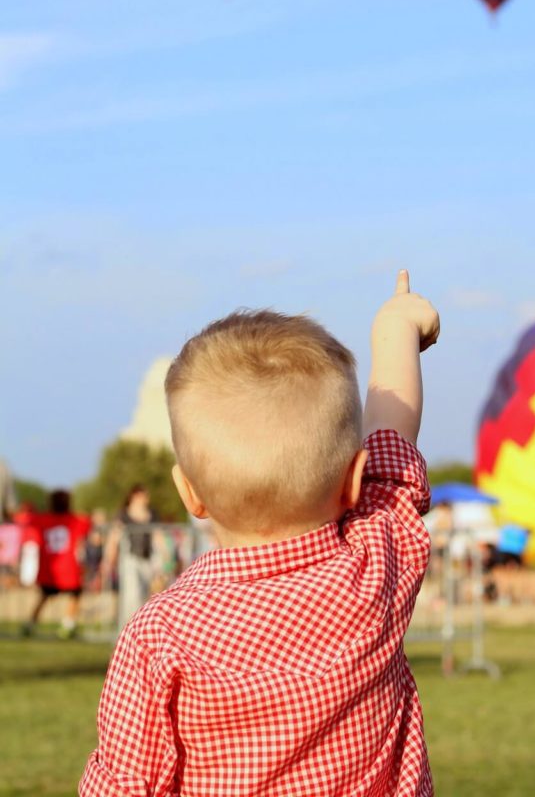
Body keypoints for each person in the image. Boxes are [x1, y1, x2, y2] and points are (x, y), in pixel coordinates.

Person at [80, 270, 439, 796]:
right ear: (354, 480)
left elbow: (125, 783)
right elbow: (392, 438)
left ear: (189, 493)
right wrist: (396, 329)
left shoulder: (161, 631)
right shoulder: (376, 566)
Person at [22, 490, 91, 638]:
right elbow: (88, 522)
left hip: (50, 567)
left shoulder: (43, 519)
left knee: (44, 596)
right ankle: (67, 625)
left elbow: (27, 521)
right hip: (68, 567)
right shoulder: (74, 520)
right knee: (75, 595)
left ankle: (30, 624)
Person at [101, 485, 158, 629]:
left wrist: (165, 559)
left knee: (147, 595)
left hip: (148, 559)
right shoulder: (123, 515)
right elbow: (114, 538)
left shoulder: (152, 514)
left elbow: (158, 536)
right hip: (130, 559)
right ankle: (130, 628)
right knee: (132, 596)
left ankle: (143, 628)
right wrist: (109, 559)